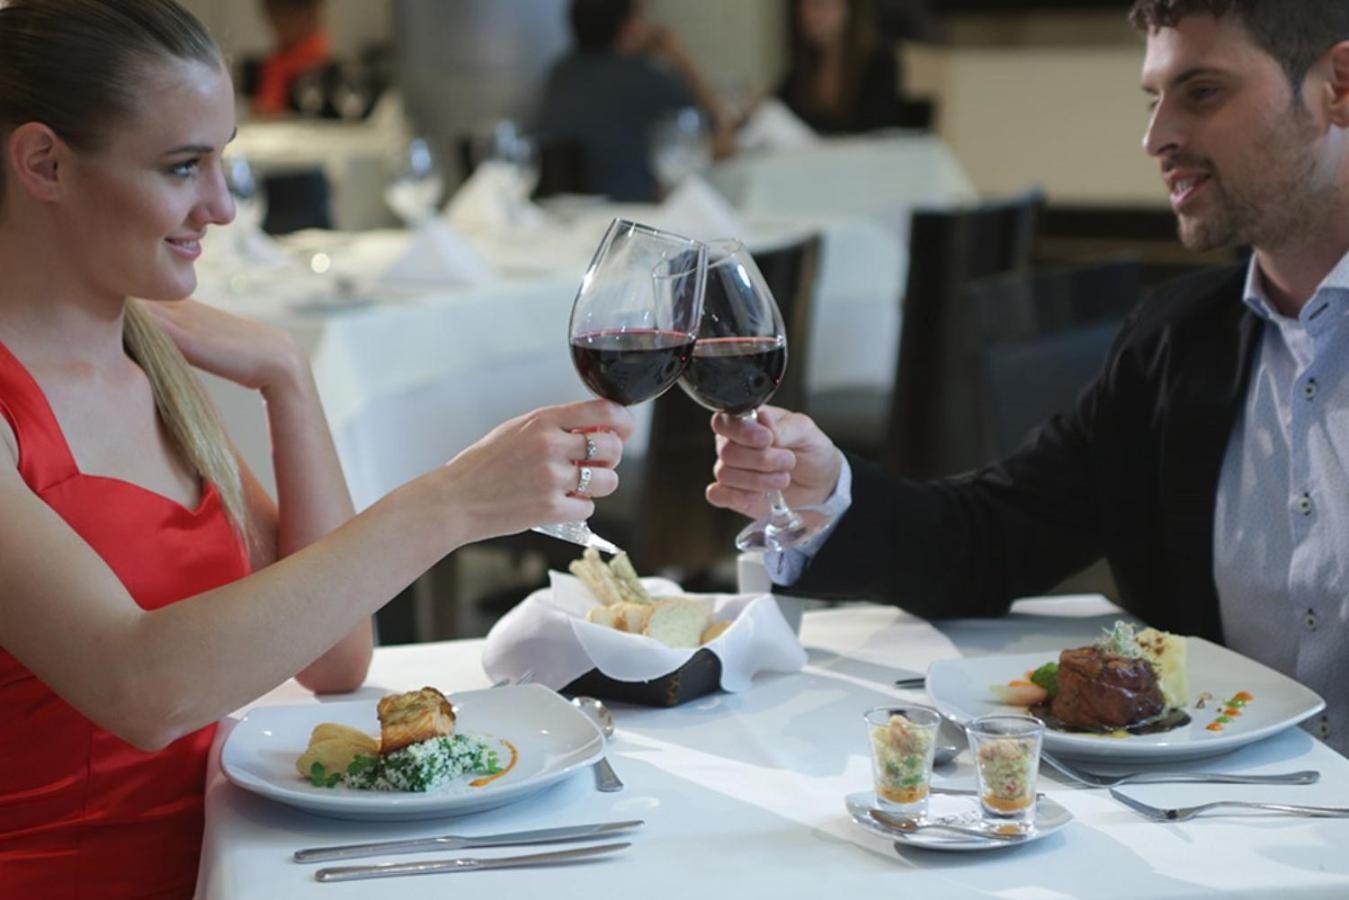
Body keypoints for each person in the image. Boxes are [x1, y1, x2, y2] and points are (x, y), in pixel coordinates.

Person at [0, 1, 633, 896]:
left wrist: (290, 380)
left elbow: (334, 658)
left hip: (246, 859)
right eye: (182, 166)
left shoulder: (150, 365)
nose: (222, 206)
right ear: (44, 163)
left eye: (222, 160)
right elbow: (144, 691)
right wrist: (451, 502)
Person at [708, 0, 1349, 754]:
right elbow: (991, 537)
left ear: (1337, 87)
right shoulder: (1176, 343)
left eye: (1202, 92)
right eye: (1153, 99)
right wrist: (826, 491)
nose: (1157, 137)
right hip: (1222, 806)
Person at [532, 0, 733, 202]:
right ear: (628, 27)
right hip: (632, 206)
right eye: (642, 17)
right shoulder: (646, 79)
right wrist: (681, 58)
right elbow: (722, 135)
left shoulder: (561, 72)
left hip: (564, 206)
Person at [776, 0, 905, 134]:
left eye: (819, 4)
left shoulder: (879, 63)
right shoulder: (804, 68)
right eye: (802, 6)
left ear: (849, 7)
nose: (807, 14)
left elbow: (876, 128)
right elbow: (778, 109)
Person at [251, 0, 332, 116]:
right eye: (272, 14)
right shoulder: (278, 60)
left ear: (310, 13)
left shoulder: (313, 63)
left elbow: (267, 109)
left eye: (283, 14)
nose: (275, 23)